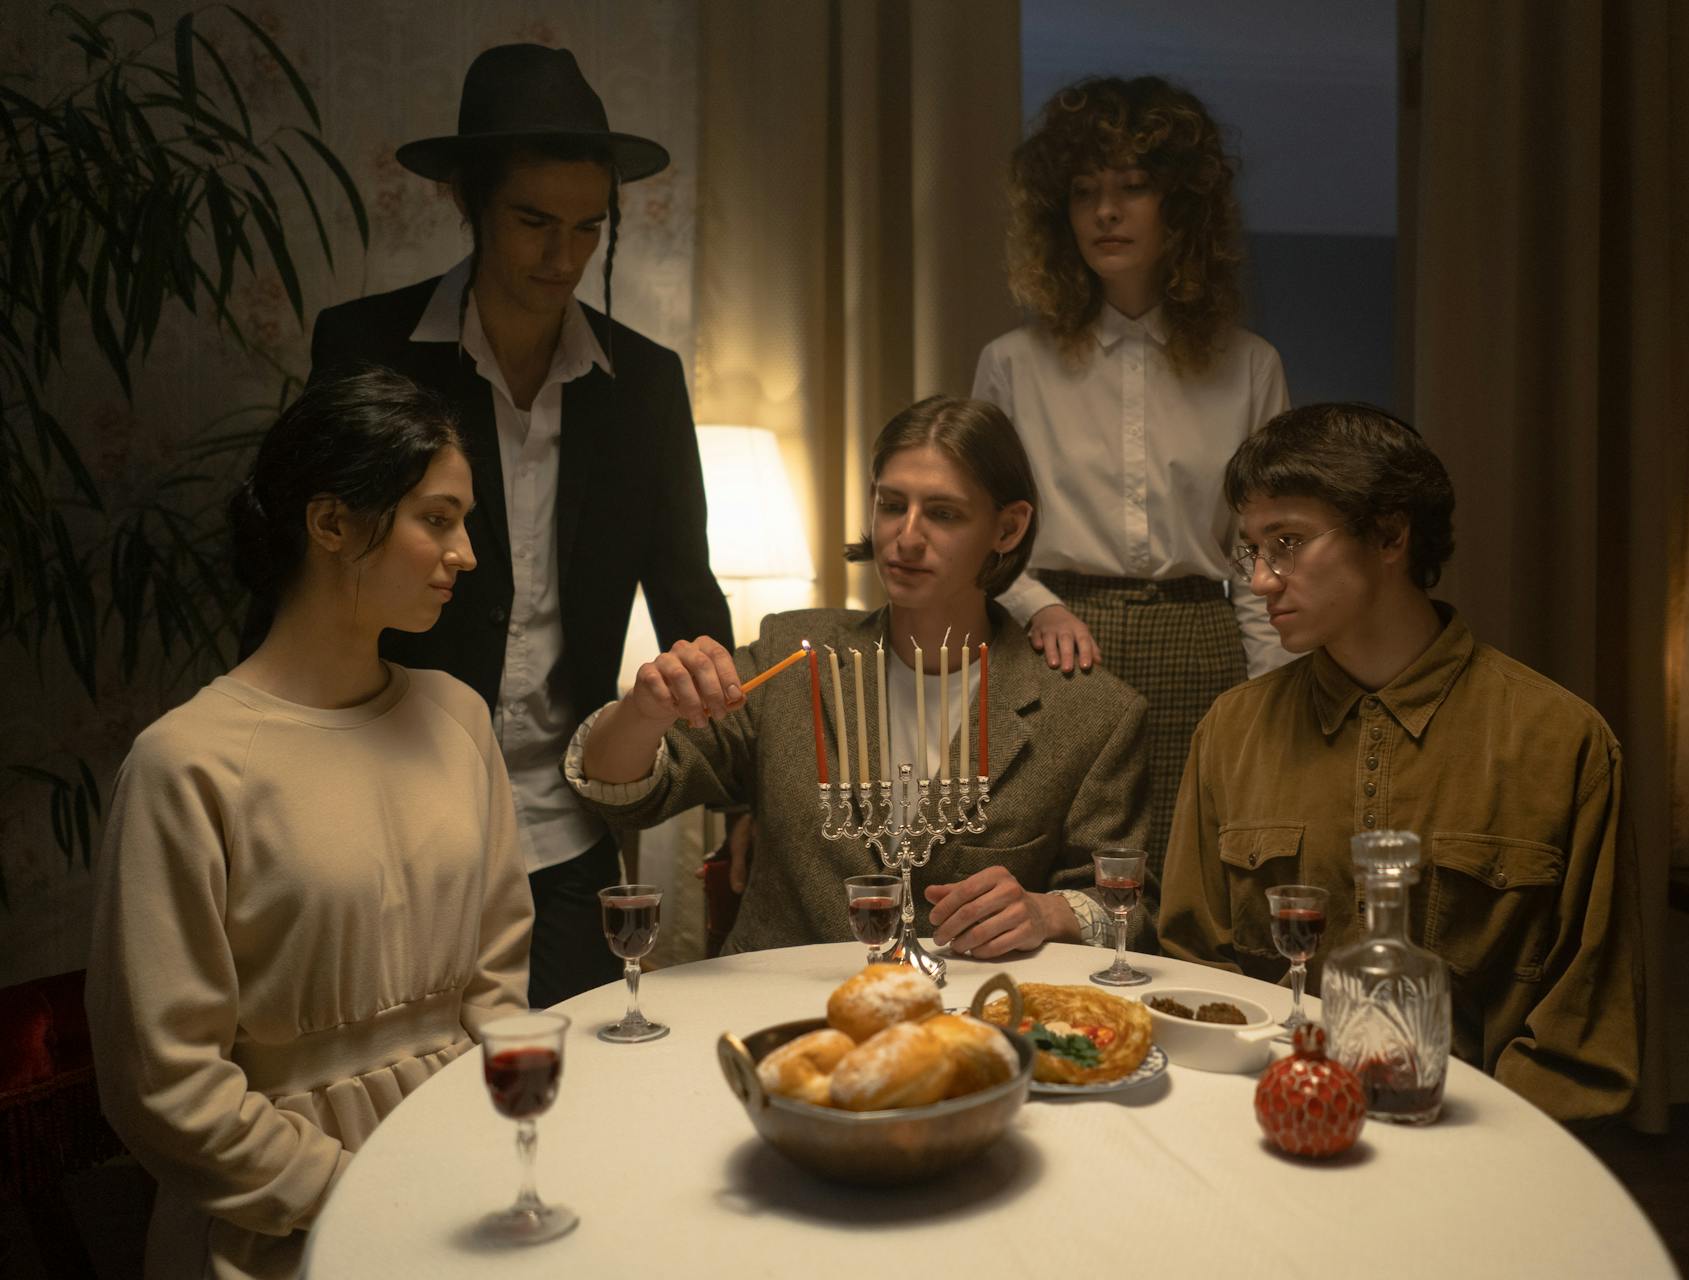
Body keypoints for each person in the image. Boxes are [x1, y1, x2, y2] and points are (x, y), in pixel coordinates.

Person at [86, 367, 533, 1279]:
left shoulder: (457, 719)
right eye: (437, 520)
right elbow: (167, 1086)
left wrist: (498, 1160)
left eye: (464, 522)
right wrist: (355, 1191)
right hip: (270, 1218)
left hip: (464, 1182)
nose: (468, 554)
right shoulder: (189, 764)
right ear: (331, 525)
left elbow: (497, 991)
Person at [309, 45, 732, 1007]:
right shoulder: (367, 350)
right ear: (468, 201)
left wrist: (751, 788)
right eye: (534, 221)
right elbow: (308, 578)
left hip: (563, 825)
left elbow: (688, 596)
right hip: (386, 803)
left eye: (589, 227)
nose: (563, 255)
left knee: (566, 1090)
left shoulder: (645, 384)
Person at [1156, 403, 1642, 1124]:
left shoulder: (1561, 742)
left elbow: (1579, 1042)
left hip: (1481, 1159)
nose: (1261, 581)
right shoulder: (1232, 733)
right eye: (1252, 550)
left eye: (1286, 542)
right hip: (1270, 1134)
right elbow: (1196, 978)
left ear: (1389, 534)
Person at [563, 396, 1151, 957]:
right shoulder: (793, 656)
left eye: (943, 514)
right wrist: (643, 712)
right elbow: (628, 794)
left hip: (971, 1021)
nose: (907, 536)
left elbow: (1128, 907)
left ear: (1007, 529)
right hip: (781, 1014)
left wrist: (1048, 912)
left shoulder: (1089, 712)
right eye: (892, 505)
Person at [973, 75, 1294, 893]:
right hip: (1059, 648)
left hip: (1201, 648)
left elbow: (1261, 560)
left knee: (1199, 882)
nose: (1106, 213)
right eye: (1085, 193)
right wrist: (1036, 605)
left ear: (1181, 205)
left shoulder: (1250, 365)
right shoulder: (1013, 364)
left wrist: (1271, 703)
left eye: (1133, 187)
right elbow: (979, 537)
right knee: (1066, 885)